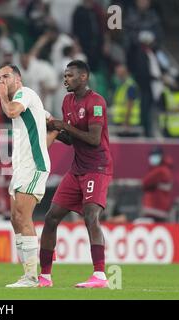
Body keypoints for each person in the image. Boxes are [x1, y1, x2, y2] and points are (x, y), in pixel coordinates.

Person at [40, 60, 113, 288]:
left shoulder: (96, 102)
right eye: (65, 75)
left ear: (83, 77)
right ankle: (44, 277)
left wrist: (64, 126)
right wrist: (52, 127)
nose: (65, 79)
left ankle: (100, 276)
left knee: (90, 216)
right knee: (51, 217)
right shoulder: (67, 101)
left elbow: (92, 139)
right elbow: (71, 139)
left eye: (70, 75)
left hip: (97, 167)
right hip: (77, 169)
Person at [0, 64, 59, 287]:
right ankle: (27, 273)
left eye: (6, 76)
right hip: (22, 167)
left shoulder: (24, 94)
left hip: (32, 167)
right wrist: (48, 139)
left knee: (23, 215)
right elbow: (50, 127)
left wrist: (2, 97)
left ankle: (32, 277)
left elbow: (11, 111)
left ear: (18, 79)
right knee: (15, 218)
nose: (2, 80)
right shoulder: (26, 100)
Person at [139, 146, 173, 222]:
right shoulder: (165, 169)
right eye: (151, 155)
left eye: (155, 155)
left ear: (161, 156)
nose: (152, 158)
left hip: (155, 209)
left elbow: (145, 182)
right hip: (160, 209)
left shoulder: (160, 170)